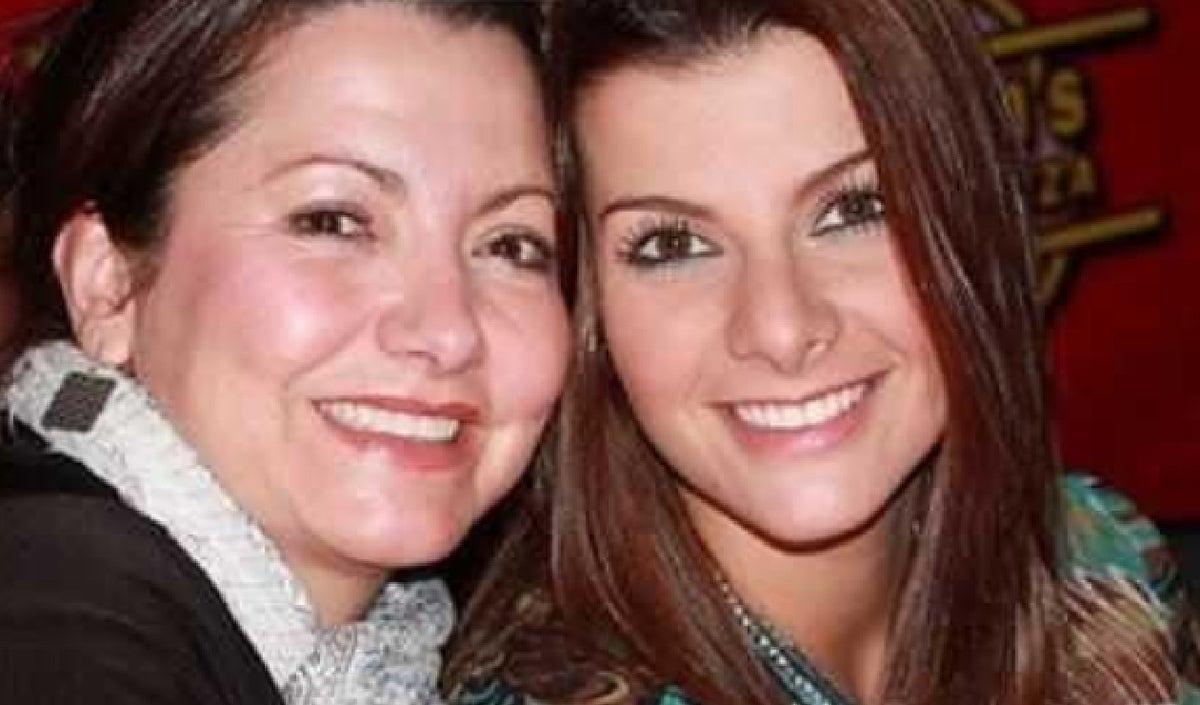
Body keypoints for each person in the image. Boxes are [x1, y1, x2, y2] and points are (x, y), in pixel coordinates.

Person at [444, 0, 1200, 703]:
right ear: (588, 309)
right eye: (672, 244)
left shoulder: (1101, 562)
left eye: (853, 209)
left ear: (968, 220)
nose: (781, 328)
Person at [0, 1, 567, 703]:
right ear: (106, 282)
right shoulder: (57, 625)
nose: (449, 331)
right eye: (333, 221)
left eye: (511, 245)